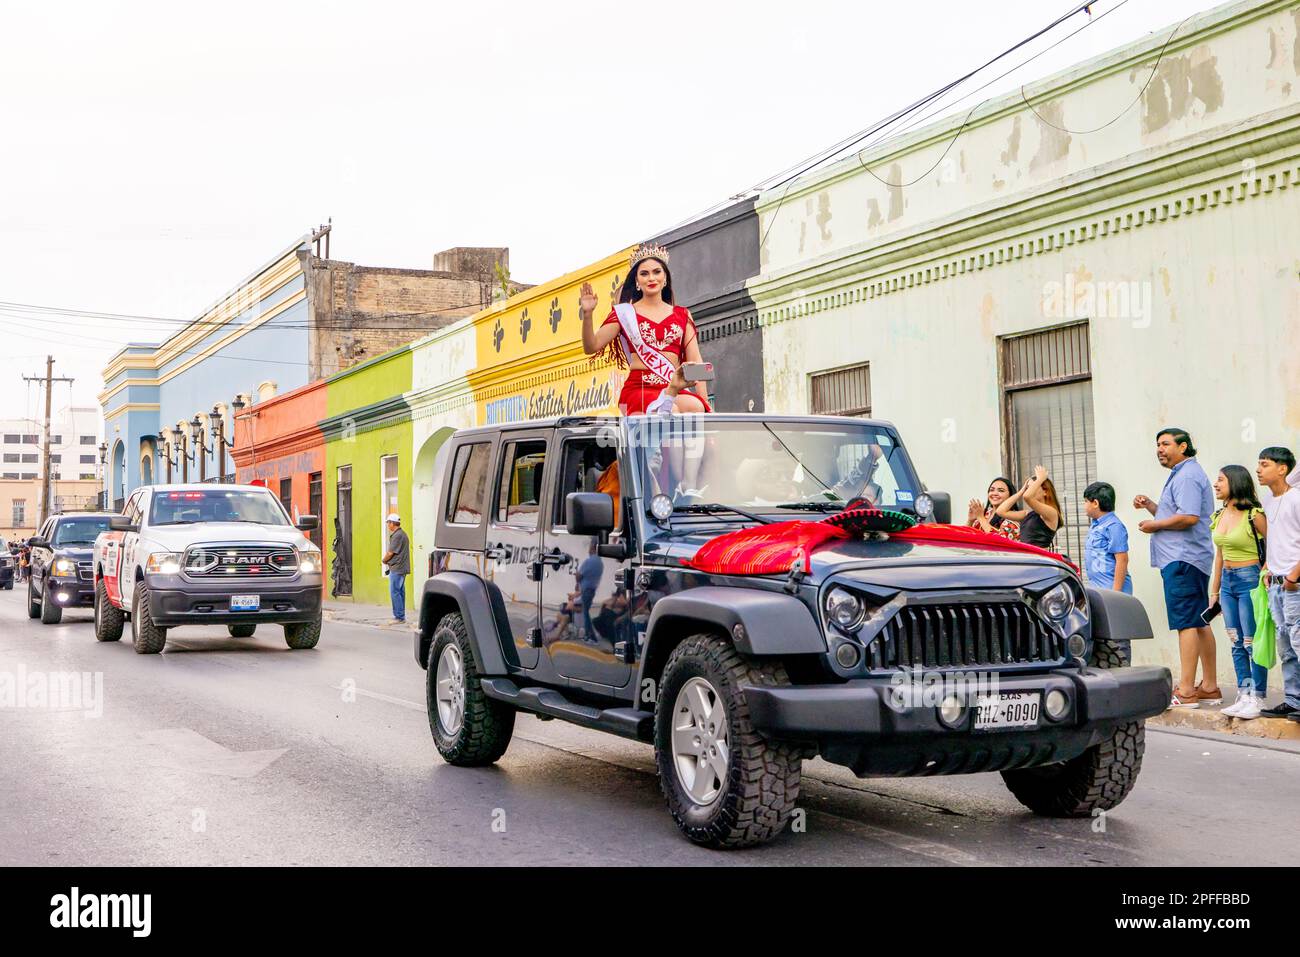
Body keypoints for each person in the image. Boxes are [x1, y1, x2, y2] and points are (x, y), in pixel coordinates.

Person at [1134, 427, 1217, 709]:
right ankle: (1209, 686)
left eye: (1165, 444)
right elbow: (1174, 514)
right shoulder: (1181, 475)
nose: (1160, 449)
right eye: (1158, 444)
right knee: (1198, 621)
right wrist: (1151, 507)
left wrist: (1153, 526)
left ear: (1183, 447)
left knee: (1186, 624)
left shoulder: (1188, 475)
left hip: (1183, 559)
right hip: (1186, 559)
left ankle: (1186, 691)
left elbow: (1189, 518)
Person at [580, 242, 712, 416]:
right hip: (639, 388)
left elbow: (696, 362)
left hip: (673, 384)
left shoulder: (682, 314)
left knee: (695, 407)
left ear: (665, 278)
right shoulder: (625, 314)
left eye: (657, 272)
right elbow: (591, 347)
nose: (651, 278)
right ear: (637, 280)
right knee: (670, 410)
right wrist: (588, 314)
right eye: (644, 274)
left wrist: (707, 409)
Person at [1209, 465, 1268, 719]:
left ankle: (1258, 696)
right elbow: (1219, 555)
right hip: (1228, 584)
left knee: (1252, 641)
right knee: (1235, 641)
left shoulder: (1254, 515)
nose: (1216, 484)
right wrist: (1215, 590)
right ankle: (1244, 694)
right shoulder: (1219, 515)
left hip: (1250, 579)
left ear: (1235, 482)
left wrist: (1265, 575)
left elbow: (1275, 545)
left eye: (1221, 480)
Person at [1256, 447, 1300, 722]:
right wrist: (1267, 569)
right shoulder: (1269, 501)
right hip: (1275, 584)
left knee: (1298, 642)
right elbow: (1277, 540)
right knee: (1285, 647)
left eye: (1265, 464)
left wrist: (1293, 577)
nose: (1259, 470)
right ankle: (1293, 700)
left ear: (1282, 469)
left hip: (1293, 584)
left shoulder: (1296, 498)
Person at [994, 465, 1063, 549]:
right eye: (1028, 488)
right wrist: (1021, 491)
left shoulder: (1051, 512)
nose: (1029, 490)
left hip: (1039, 557)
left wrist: (1040, 479)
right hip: (1027, 556)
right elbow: (1000, 511)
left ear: (1045, 491)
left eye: (1033, 487)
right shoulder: (1028, 514)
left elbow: (1027, 497)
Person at [381, 513, 410, 624]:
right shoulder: (402, 534)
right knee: (400, 591)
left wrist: (384, 560)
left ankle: (399, 617)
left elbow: (390, 552)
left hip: (397, 568)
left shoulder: (397, 535)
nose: (388, 525)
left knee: (395, 592)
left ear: (393, 523)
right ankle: (401, 615)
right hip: (401, 568)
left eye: (388, 523)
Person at [575, 542, 603, 642]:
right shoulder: (600, 562)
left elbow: (579, 575)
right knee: (586, 611)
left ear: (593, 548)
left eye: (590, 547)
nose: (588, 550)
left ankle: (590, 635)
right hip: (592, 590)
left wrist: (577, 581)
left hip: (586, 590)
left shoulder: (589, 561)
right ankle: (591, 635)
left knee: (585, 612)